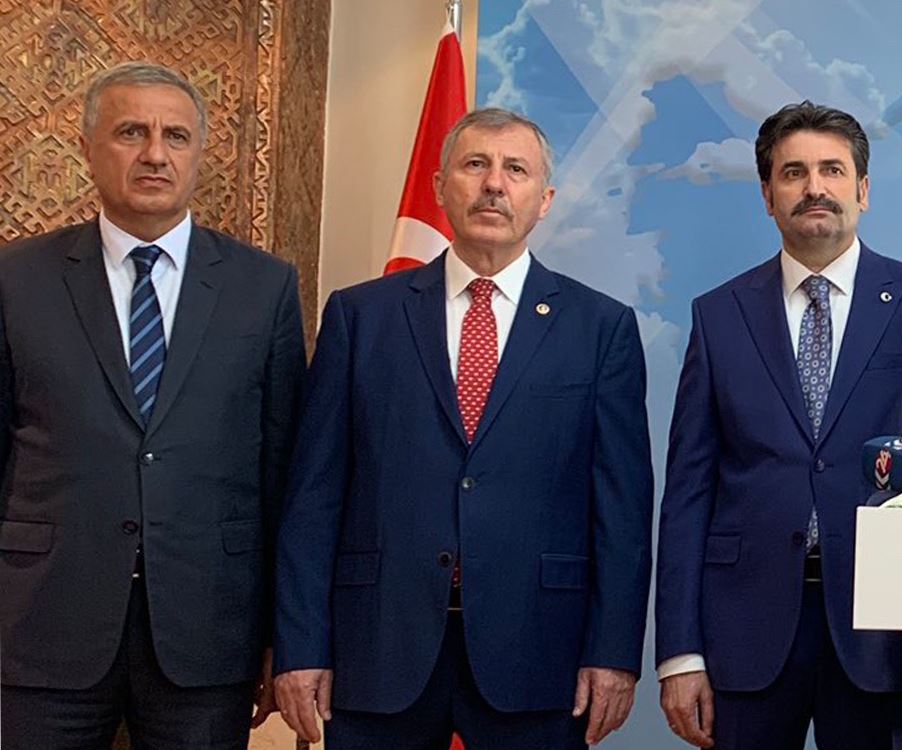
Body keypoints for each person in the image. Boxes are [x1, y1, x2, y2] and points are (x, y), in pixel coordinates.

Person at [271, 107, 653, 750]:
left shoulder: (601, 328)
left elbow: (622, 508)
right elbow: (313, 496)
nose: (494, 184)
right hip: (377, 645)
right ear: (440, 186)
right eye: (475, 165)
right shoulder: (360, 317)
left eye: (516, 170)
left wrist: (613, 652)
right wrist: (301, 647)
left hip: (539, 650)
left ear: (544, 200)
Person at [0, 61, 303, 750]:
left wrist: (281, 633)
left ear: (200, 153)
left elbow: (283, 475)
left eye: (176, 136)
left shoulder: (264, 288)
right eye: (131, 132)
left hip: (208, 633)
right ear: (87, 149)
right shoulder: (17, 280)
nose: (155, 154)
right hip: (41, 626)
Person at [656, 101, 902, 750]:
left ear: (863, 190)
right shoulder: (719, 315)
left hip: (883, 634)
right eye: (793, 173)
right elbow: (688, 492)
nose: (815, 187)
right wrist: (680, 652)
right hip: (744, 629)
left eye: (832, 170)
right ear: (768, 196)